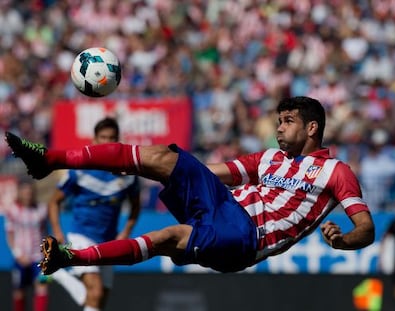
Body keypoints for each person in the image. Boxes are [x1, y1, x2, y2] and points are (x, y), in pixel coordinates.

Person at [5, 96, 375, 275]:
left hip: (247, 236)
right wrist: (145, 168)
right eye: (278, 120)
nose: (279, 127)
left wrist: (342, 240)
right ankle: (47, 161)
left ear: (312, 128)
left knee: (169, 236)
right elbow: (207, 172)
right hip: (225, 206)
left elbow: (366, 229)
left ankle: (74, 257)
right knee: (166, 158)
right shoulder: (268, 159)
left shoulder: (336, 172)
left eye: (288, 120)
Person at [46, 117, 141, 311]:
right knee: (95, 291)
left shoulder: (128, 175)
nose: (107, 142)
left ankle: (61, 274)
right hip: (81, 235)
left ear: (118, 141)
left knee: (100, 299)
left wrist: (125, 232)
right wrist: (58, 231)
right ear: (94, 141)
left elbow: (136, 207)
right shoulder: (79, 171)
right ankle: (62, 272)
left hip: (108, 241)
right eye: (103, 137)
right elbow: (54, 202)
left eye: (112, 138)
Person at [4, 178, 49, 311]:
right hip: (21, 258)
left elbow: (45, 232)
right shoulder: (12, 210)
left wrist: (46, 254)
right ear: (20, 192)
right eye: (25, 192)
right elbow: (10, 235)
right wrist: (17, 254)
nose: (28, 194)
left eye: (30, 192)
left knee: (43, 286)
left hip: (39, 258)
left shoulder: (41, 210)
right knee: (19, 290)